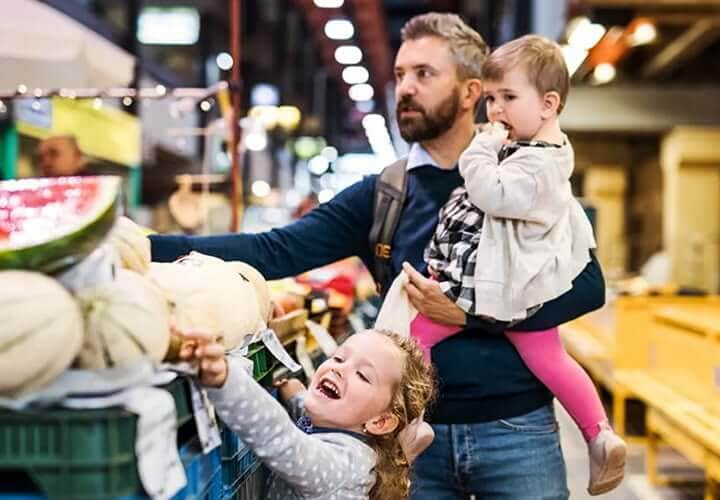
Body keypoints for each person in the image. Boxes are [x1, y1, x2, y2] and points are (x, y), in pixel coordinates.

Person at [145, 13, 606, 499]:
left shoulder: (526, 177)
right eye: (401, 75)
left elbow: (588, 286)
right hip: (405, 441)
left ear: (474, 92)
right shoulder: (385, 193)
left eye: (424, 74)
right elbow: (274, 249)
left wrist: (472, 317)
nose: (405, 88)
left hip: (517, 431)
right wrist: (143, 246)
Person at [376, 34, 626, 496]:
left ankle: (411, 424)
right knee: (549, 356)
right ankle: (598, 433)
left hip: (500, 287)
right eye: (491, 99)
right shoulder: (534, 154)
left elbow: (494, 195)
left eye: (508, 98)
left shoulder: (538, 162)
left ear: (549, 104)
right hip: (513, 286)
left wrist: (479, 150)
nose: (495, 111)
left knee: (416, 340)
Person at [181, 327, 434, 499]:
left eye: (362, 375)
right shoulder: (347, 428)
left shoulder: (345, 465)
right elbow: (315, 417)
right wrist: (296, 395)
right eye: (338, 358)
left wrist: (226, 380)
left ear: (380, 421)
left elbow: (285, 442)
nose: (340, 370)